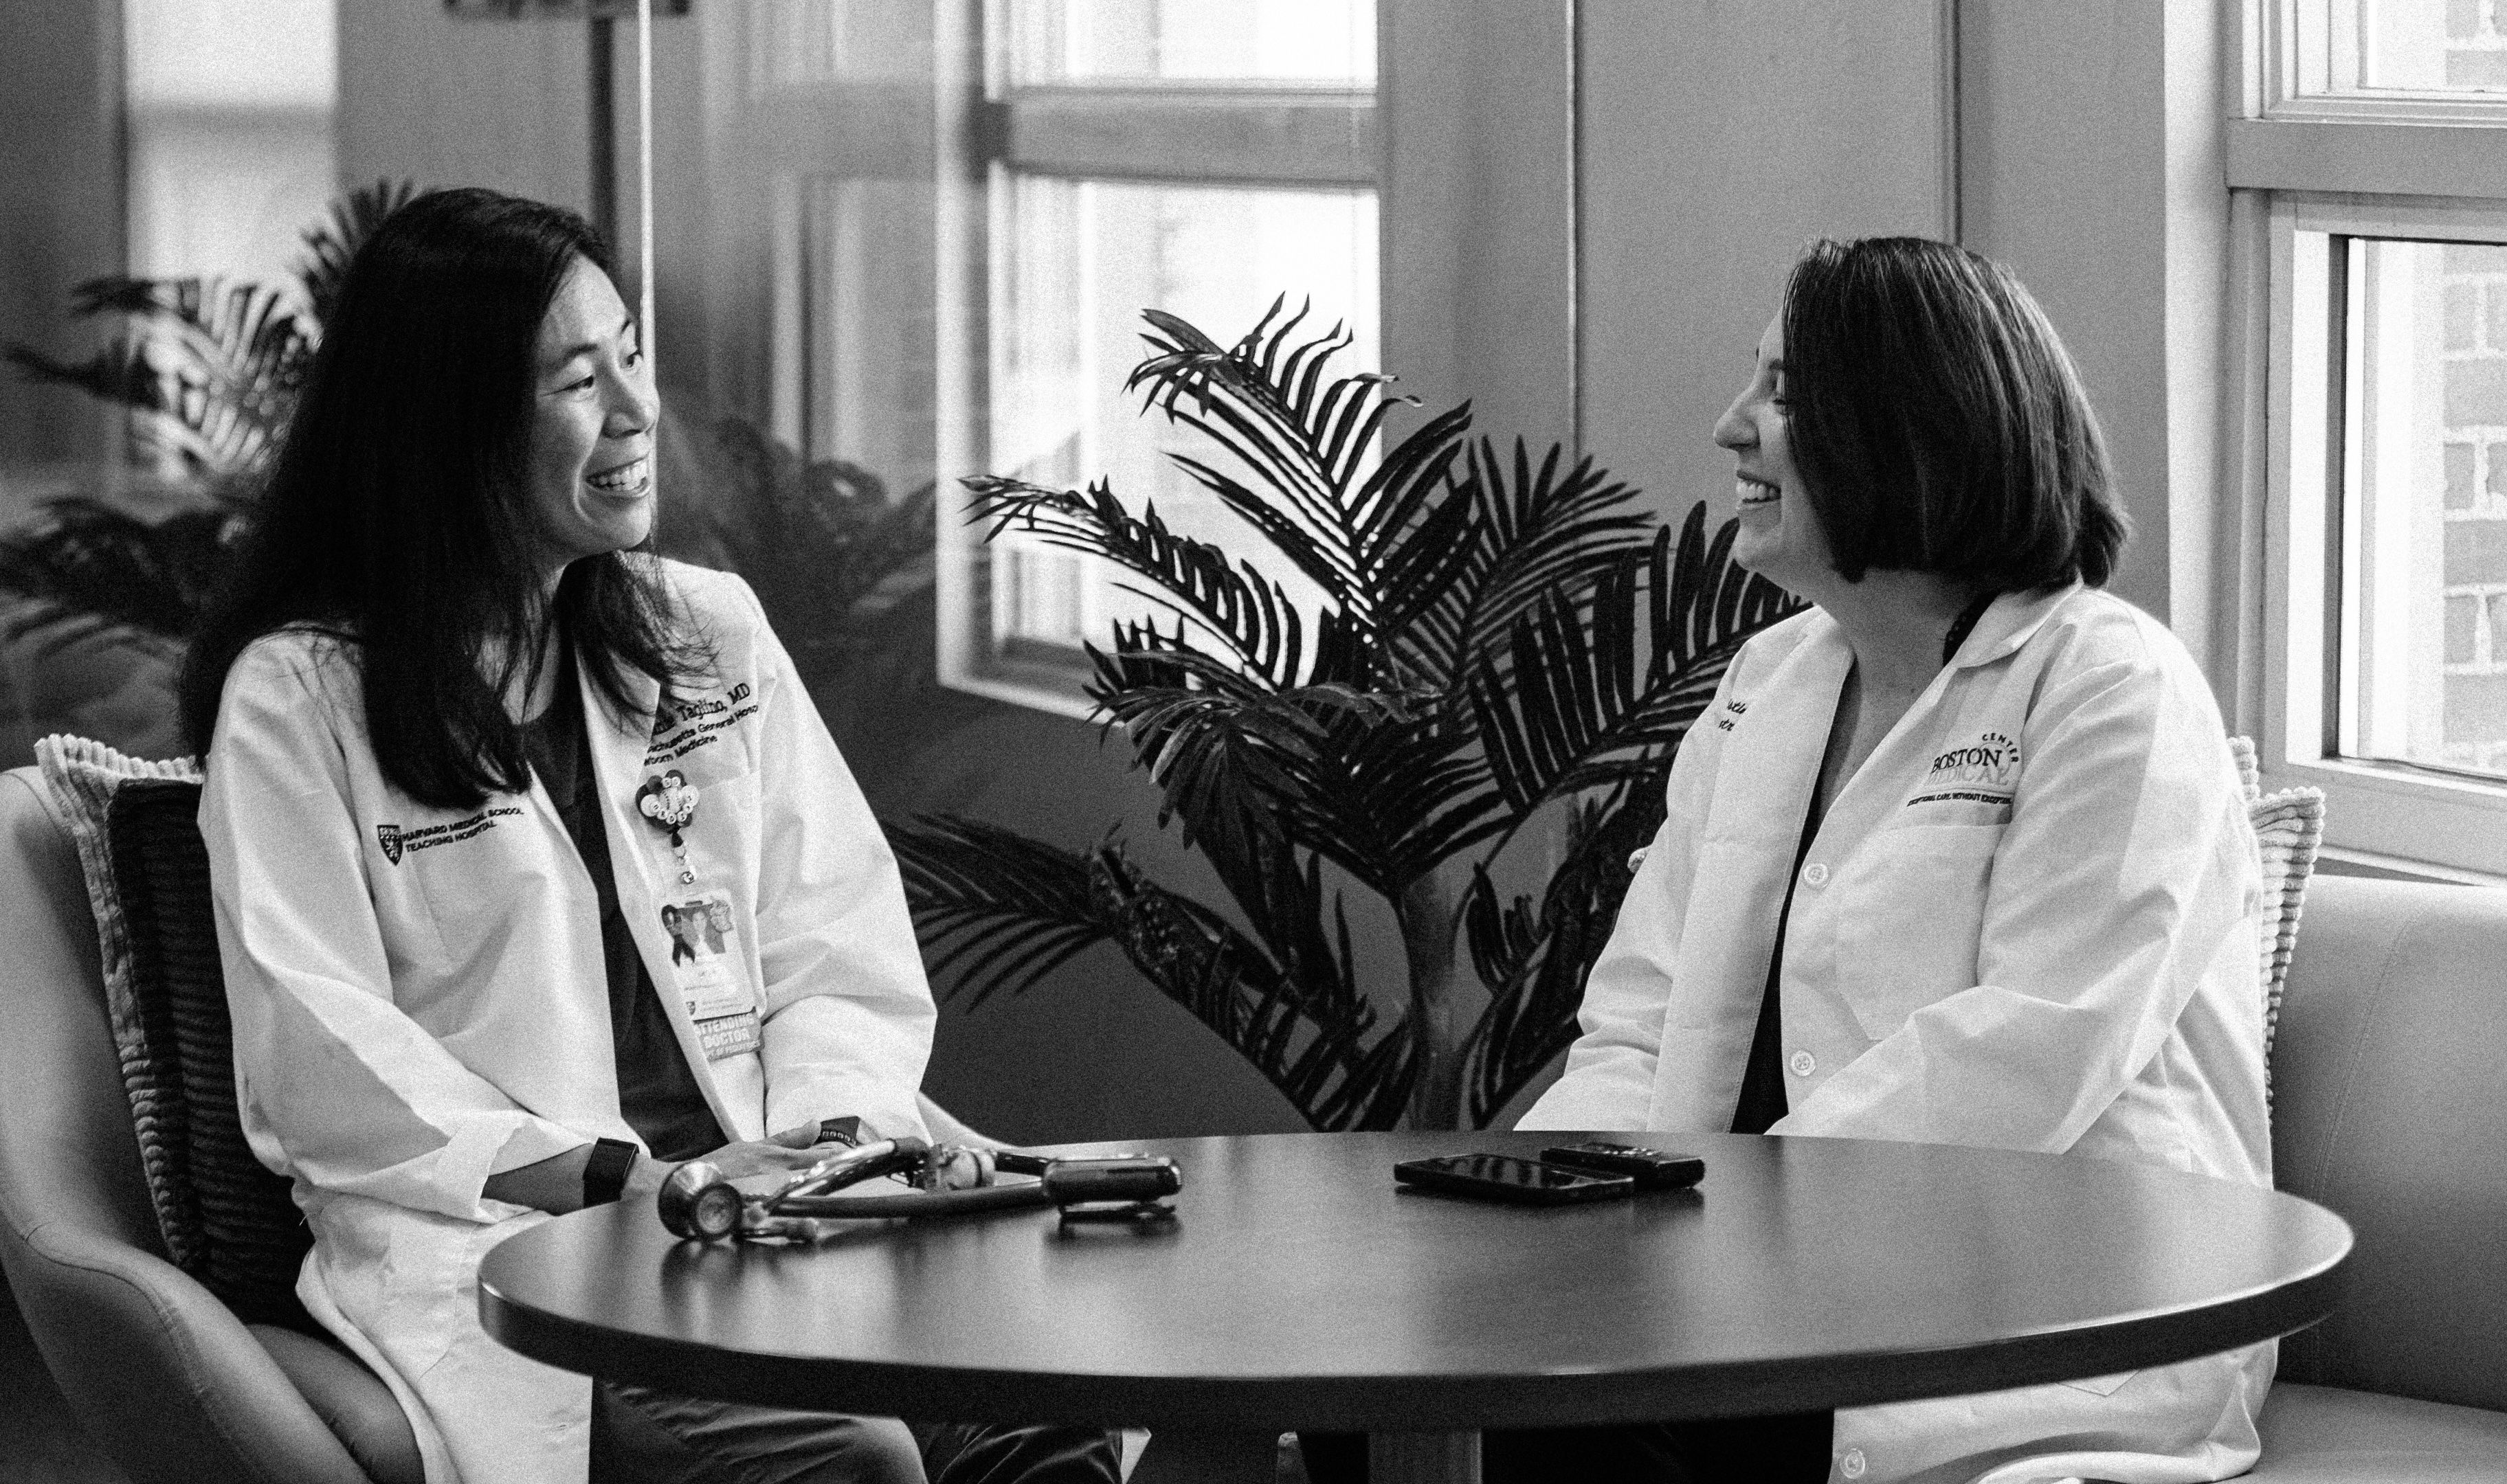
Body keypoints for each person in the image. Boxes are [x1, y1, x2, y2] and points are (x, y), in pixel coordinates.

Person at [183, 187, 1120, 1484]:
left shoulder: (703, 631)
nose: (638, 412)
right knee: (851, 1462)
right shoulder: (300, 704)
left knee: (1044, 1415)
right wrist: (641, 1184)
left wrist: (828, 1154)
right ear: (448, 423)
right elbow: (325, 1063)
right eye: (581, 379)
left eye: (633, 354)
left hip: (796, 1213)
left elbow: (832, 933)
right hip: (546, 1247)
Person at [1506, 238, 2272, 1484]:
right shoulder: (1769, 685)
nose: (1730, 428)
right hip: (1744, 1300)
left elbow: (2030, 1056)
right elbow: (1638, 1030)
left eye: (1784, 394)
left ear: (1911, 429)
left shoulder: (2110, 690)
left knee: (1559, 1448)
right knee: (1386, 1404)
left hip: (2032, 1310)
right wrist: (1535, 1228)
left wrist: (1706, 1227)